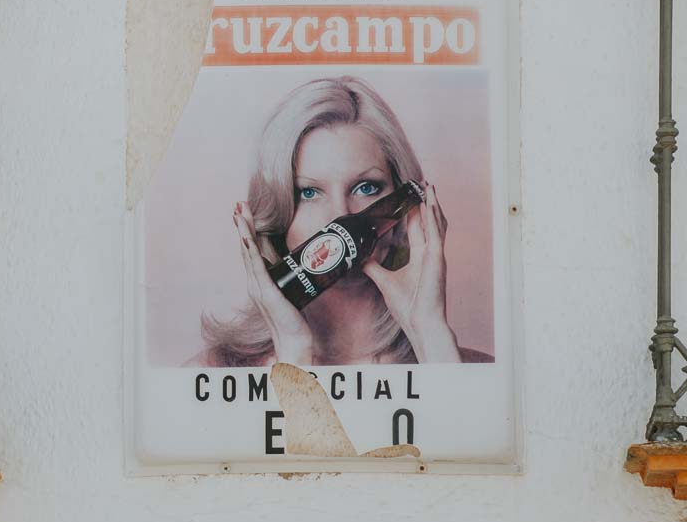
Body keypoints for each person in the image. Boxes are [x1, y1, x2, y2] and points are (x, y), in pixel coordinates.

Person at [199, 75, 485, 368]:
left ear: (405, 208)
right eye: (308, 193)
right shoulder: (213, 372)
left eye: (366, 188)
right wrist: (294, 352)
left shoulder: (465, 367)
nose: (340, 217)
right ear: (278, 215)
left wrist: (429, 335)